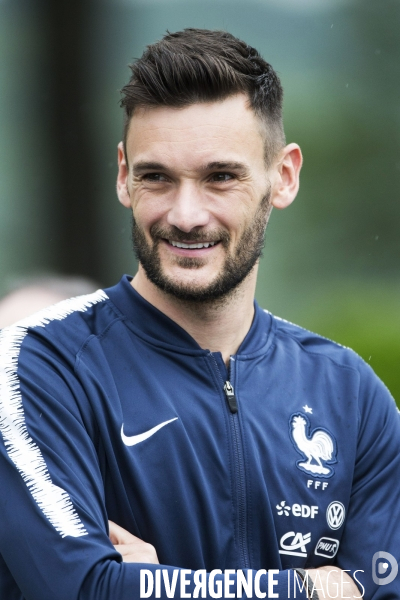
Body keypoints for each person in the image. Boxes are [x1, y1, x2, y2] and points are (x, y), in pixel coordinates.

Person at [0, 29, 399, 600]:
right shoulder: (39, 367)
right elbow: (85, 591)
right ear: (122, 175)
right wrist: (311, 591)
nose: (186, 215)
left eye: (220, 177)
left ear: (282, 176)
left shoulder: (352, 394)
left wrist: (155, 583)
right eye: (157, 177)